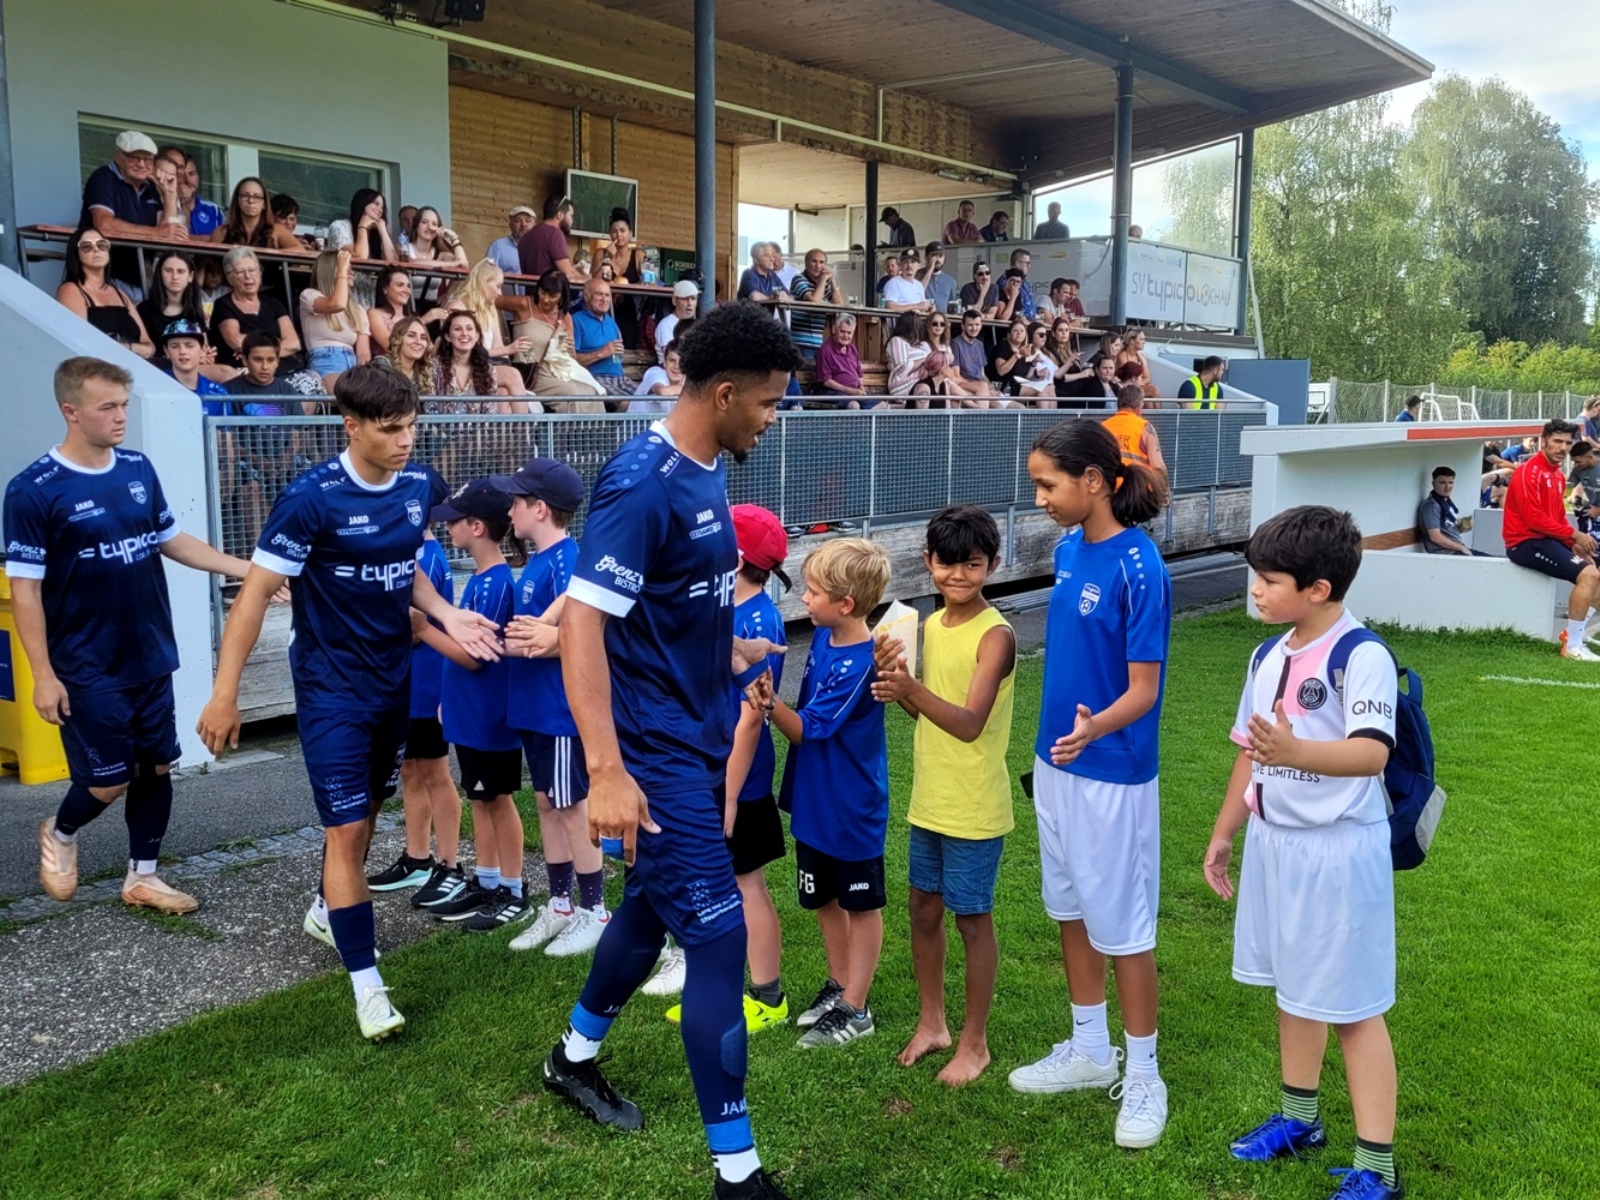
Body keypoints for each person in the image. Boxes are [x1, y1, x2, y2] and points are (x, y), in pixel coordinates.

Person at [541, 301, 800, 1200]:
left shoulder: (707, 469)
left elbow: (666, 605)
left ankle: (572, 1058)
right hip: (653, 755)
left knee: (651, 911)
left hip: (694, 734)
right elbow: (582, 626)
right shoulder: (643, 482)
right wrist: (606, 772)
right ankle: (739, 1176)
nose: (772, 418)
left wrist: (725, 651)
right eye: (767, 403)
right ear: (723, 394)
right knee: (721, 943)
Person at [197, 363, 501, 1041]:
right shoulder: (311, 498)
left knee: (363, 817)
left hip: (393, 685)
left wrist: (447, 614)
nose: (405, 440)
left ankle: (324, 908)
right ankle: (368, 986)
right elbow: (254, 595)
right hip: (331, 690)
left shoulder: (418, 485)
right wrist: (224, 693)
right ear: (351, 426)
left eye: (411, 426)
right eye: (390, 429)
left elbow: (404, 572)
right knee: (343, 829)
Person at [1204, 505, 1405, 1200]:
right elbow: (1251, 752)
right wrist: (1225, 832)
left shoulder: (1362, 654)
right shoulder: (1267, 655)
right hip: (1275, 844)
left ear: (1318, 588)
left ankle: (1378, 1167)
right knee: (1294, 989)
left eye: (1269, 579)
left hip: (1338, 851)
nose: (1256, 589)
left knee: (1352, 1008)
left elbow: (1371, 753)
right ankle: (1299, 1119)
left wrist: (1295, 751)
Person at [9, 358, 259, 916]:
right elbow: (24, 591)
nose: (121, 416)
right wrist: (43, 675)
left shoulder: (137, 468)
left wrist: (246, 568)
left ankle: (142, 877)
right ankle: (60, 831)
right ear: (71, 412)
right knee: (108, 780)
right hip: (85, 662)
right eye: (108, 407)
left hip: (148, 651)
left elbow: (171, 539)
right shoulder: (32, 490)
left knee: (156, 766)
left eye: (124, 404)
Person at [1010, 419, 1171, 1151]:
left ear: (1095, 481)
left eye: (1048, 484)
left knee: (1125, 930)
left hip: (1111, 774)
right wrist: (1063, 743)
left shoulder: (1141, 567)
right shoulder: (1070, 549)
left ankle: (1144, 1075)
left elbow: (1144, 690)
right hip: (1056, 766)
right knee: (1070, 908)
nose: (1040, 498)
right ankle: (1088, 1047)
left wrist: (1094, 729)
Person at [872, 505, 1016, 1086]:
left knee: (972, 920)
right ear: (928, 561)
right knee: (922, 909)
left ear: (992, 565)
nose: (958, 576)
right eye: (947, 564)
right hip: (930, 797)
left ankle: (975, 1043)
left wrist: (911, 687)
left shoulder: (997, 636)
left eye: (972, 565)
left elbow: (969, 723)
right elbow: (929, 714)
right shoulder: (930, 626)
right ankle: (933, 1022)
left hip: (975, 803)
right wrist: (897, 686)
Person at [768, 538, 892, 1050]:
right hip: (815, 800)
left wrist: (766, 700)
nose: (805, 599)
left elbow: (807, 729)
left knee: (860, 904)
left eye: (814, 592)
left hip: (851, 807)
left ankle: (857, 1008)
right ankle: (839, 985)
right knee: (823, 897)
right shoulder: (824, 636)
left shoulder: (862, 662)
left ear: (846, 604)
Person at [497, 458, 610, 954]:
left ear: (539, 509)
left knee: (570, 806)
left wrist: (536, 637)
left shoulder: (569, 559)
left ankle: (595, 910)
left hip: (559, 709)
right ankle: (561, 904)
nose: (510, 510)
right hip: (533, 707)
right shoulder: (540, 560)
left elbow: (582, 631)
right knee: (547, 803)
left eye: (516, 502)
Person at [688, 504, 793, 1033]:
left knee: (746, 881)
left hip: (739, 777)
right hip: (713, 767)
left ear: (734, 557)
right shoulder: (726, 608)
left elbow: (754, 715)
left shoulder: (758, 619)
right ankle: (724, 985)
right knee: (724, 880)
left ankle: (768, 996)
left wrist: (729, 794)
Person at [417, 480, 530, 931]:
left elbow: (477, 656)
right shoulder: (483, 580)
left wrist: (424, 630)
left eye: (456, 521)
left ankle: (514, 889)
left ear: (478, 527)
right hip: (470, 714)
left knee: (497, 799)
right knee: (480, 797)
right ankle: (486, 879)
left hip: (490, 718)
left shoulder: (498, 583)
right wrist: (449, 701)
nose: (449, 528)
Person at [367, 468, 461, 901]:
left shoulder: (429, 558)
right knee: (409, 770)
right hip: (403, 685)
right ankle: (417, 857)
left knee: (435, 773)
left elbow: (420, 626)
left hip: (426, 686)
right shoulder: (406, 552)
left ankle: (450, 863)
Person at [1502, 419, 1600, 661]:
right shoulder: (1529, 471)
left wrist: (1572, 545)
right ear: (1543, 441)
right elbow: (1534, 519)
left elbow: (1556, 517)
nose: (1563, 448)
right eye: (1557, 441)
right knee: (1589, 575)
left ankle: (1576, 634)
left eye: (1567, 443)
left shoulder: (1556, 475)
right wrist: (1576, 535)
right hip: (1524, 543)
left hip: (1547, 540)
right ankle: (1573, 647)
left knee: (1596, 574)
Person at [55, 227, 155, 360]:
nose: (96, 250)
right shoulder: (70, 290)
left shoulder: (120, 294)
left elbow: (148, 345)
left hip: (134, 366)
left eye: (102, 245)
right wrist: (131, 348)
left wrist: (133, 348)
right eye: (86, 246)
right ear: (76, 254)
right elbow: (81, 341)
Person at [448, 259, 535, 396]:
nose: (500, 293)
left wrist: (507, 357)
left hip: (489, 365)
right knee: (512, 375)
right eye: (498, 286)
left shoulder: (490, 309)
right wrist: (508, 349)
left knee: (504, 392)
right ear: (483, 283)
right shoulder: (457, 307)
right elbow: (462, 350)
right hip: (465, 365)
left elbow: (498, 346)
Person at [210, 248, 300, 370]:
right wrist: (276, 342)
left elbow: (294, 343)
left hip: (287, 368)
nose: (248, 276)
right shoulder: (223, 305)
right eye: (240, 272)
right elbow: (236, 341)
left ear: (259, 273)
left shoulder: (274, 303)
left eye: (252, 270)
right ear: (230, 278)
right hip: (247, 371)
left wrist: (252, 350)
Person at [79, 130, 177, 242]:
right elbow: (104, 225)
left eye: (147, 159)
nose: (141, 164)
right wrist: (156, 232)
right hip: (104, 252)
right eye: (134, 158)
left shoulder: (151, 186)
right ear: (118, 157)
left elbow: (168, 233)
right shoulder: (103, 177)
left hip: (141, 253)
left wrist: (170, 195)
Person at [299, 248, 373, 389]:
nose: (351, 272)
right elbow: (337, 304)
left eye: (350, 268)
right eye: (345, 267)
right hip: (325, 363)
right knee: (345, 394)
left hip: (353, 367)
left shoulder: (357, 309)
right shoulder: (309, 295)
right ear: (329, 270)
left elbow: (363, 353)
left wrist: (364, 377)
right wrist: (342, 273)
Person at [367, 265, 451, 353]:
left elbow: (429, 351)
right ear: (385, 288)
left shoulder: (413, 316)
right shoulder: (374, 314)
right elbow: (390, 346)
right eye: (400, 285)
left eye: (408, 286)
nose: (406, 290)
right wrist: (422, 321)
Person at [136, 251, 207, 355]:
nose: (175, 277)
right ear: (159, 273)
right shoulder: (144, 310)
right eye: (168, 271)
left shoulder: (194, 309)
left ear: (190, 276)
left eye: (180, 271)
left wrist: (206, 355)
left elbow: (204, 346)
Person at [160, 320, 233, 415]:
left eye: (189, 346)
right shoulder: (155, 387)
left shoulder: (217, 392)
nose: (182, 351)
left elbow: (224, 424)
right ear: (166, 351)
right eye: (174, 346)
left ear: (202, 350)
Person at [1103, 384, 1169, 489]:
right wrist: (1165, 492)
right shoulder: (1145, 428)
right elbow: (1158, 466)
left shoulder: (1103, 427)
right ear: (1139, 408)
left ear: (1118, 405)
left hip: (1110, 490)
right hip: (1138, 491)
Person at [211, 178, 300, 251]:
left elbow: (300, 250)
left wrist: (274, 252)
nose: (251, 201)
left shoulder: (277, 230)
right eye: (245, 195)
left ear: (264, 204)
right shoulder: (221, 232)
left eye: (257, 197)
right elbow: (209, 262)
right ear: (237, 201)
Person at [571, 278, 627, 393]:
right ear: (586, 297)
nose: (604, 299)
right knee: (626, 401)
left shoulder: (611, 322)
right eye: (599, 294)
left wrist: (617, 356)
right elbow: (571, 361)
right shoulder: (576, 320)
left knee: (652, 398)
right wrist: (601, 353)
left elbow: (618, 356)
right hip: (594, 379)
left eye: (607, 295)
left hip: (621, 378)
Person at [1417, 467, 1482, 556]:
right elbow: (1435, 537)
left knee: (1495, 559)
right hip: (1446, 553)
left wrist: (1464, 525)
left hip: (1457, 550)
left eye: (1451, 482)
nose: (1448, 487)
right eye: (1442, 483)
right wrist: (1461, 548)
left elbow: (1451, 530)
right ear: (1433, 484)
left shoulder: (1445, 502)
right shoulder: (1431, 506)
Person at [789, 249, 842, 356]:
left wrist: (832, 281)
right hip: (799, 342)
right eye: (814, 261)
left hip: (817, 342)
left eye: (822, 262)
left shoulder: (824, 284)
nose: (818, 266)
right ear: (806, 263)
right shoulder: (799, 279)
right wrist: (823, 279)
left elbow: (839, 304)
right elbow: (814, 300)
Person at [519, 194, 583, 282]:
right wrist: (587, 279)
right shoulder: (555, 233)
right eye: (571, 215)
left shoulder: (527, 235)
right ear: (560, 214)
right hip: (549, 289)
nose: (572, 220)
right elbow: (568, 273)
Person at [328, 188, 398, 263]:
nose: (381, 210)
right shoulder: (340, 226)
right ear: (363, 203)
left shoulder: (376, 231)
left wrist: (383, 231)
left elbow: (393, 262)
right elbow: (359, 258)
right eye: (376, 204)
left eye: (382, 208)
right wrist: (362, 227)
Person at [815, 314, 868, 407]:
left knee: (883, 405)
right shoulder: (825, 350)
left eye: (849, 333)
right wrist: (850, 391)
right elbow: (826, 381)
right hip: (833, 392)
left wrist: (861, 387)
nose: (846, 336)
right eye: (842, 331)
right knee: (854, 405)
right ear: (834, 329)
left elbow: (859, 375)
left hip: (854, 392)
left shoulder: (852, 349)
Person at [950, 309, 994, 400]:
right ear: (963, 326)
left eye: (977, 324)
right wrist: (983, 389)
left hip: (981, 387)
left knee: (1015, 405)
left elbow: (982, 374)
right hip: (964, 386)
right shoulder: (955, 343)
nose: (974, 328)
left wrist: (990, 387)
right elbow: (956, 376)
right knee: (996, 404)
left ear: (981, 325)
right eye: (970, 325)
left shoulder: (980, 344)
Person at [633, 340, 685, 413]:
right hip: (637, 420)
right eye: (672, 360)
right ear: (665, 363)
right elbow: (662, 391)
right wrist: (694, 390)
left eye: (682, 362)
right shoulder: (655, 373)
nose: (677, 366)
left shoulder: (689, 380)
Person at [656, 279, 700, 361]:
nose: (690, 303)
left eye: (693, 298)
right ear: (674, 300)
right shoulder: (666, 325)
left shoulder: (696, 325)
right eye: (685, 299)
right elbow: (672, 356)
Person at [987, 319, 1030, 398]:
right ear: (1009, 334)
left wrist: (1034, 365)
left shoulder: (1025, 350)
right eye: (1015, 330)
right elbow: (1001, 371)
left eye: (1022, 331)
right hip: (1002, 388)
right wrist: (1016, 355)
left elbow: (1027, 376)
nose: (1019, 333)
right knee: (1042, 391)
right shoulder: (1003, 346)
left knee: (1047, 388)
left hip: (1018, 386)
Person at [489, 205, 537, 274]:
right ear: (510, 225)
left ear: (535, 225)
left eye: (528, 221)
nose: (523, 224)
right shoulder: (498, 246)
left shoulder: (539, 248)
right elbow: (487, 274)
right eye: (518, 221)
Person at [920, 243, 959, 313]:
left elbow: (952, 304)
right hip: (922, 317)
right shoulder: (917, 275)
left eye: (941, 256)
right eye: (934, 255)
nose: (938, 259)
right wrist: (930, 270)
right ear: (926, 257)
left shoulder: (950, 280)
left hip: (942, 318)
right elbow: (917, 293)